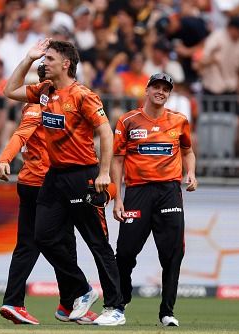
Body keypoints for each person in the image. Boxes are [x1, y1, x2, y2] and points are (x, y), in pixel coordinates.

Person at [3, 39, 126, 326]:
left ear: (66, 64)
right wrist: (28, 59)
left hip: (83, 176)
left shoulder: (83, 95)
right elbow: (9, 91)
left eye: (48, 58)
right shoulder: (45, 91)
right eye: (43, 58)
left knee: (97, 242)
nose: (43, 63)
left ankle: (116, 308)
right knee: (43, 237)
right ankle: (82, 290)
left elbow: (106, 133)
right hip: (54, 177)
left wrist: (104, 173)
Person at [0, 62, 98, 325]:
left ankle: (21, 301)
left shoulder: (37, 105)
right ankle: (72, 300)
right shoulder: (41, 106)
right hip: (47, 184)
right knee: (58, 244)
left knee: (31, 244)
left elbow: (21, 134)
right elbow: (21, 135)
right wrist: (4, 159)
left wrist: (5, 160)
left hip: (33, 182)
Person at [111, 73, 197, 327]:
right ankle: (119, 303)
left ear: (169, 94)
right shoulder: (128, 121)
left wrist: (191, 172)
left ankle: (167, 312)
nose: (161, 92)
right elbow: (117, 159)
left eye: (166, 89)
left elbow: (188, 151)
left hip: (169, 191)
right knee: (125, 253)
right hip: (137, 192)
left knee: (173, 254)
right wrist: (117, 197)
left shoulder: (179, 121)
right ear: (146, 90)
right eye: (156, 87)